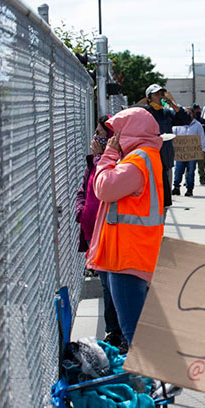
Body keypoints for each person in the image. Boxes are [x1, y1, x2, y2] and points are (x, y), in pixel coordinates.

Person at [86, 107, 165, 345]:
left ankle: (144, 381)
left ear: (131, 131)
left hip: (128, 256)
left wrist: (107, 156)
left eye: (117, 132)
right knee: (133, 329)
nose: (113, 139)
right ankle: (145, 378)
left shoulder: (139, 159)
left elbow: (104, 189)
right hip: (128, 252)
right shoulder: (142, 156)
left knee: (133, 332)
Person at [75, 116, 125, 351]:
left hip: (110, 233)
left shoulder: (116, 164)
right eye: (95, 133)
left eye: (100, 134)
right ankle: (113, 332)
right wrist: (81, 211)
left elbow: (106, 188)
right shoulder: (93, 162)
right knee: (106, 285)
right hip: (92, 232)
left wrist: (102, 159)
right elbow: (83, 190)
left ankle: (122, 333)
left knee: (115, 285)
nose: (96, 138)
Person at [139, 84, 191, 209]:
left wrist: (173, 104)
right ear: (149, 97)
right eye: (156, 95)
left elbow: (185, 120)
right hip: (149, 159)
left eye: (161, 94)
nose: (160, 97)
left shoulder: (167, 112)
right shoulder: (144, 113)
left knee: (165, 197)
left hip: (165, 158)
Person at [172, 112, 205, 197]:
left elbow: (202, 137)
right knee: (178, 171)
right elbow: (173, 136)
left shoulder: (197, 125)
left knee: (191, 171)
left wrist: (203, 149)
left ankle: (189, 189)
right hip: (180, 154)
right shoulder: (178, 125)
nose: (188, 115)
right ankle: (176, 187)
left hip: (192, 154)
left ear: (193, 114)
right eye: (186, 113)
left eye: (190, 113)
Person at [192, 104, 205, 186]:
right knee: (190, 165)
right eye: (196, 110)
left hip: (201, 146)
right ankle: (188, 180)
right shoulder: (190, 122)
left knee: (201, 165)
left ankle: (202, 179)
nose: (198, 111)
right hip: (191, 147)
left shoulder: (202, 121)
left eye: (199, 109)